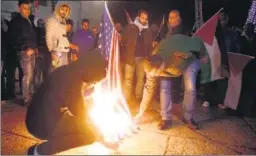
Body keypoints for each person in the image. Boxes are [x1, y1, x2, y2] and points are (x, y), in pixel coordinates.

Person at [26, 50, 118, 155]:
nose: (92, 85)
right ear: (91, 71)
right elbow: (81, 115)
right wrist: (101, 136)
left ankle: (47, 145)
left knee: (83, 127)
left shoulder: (69, 71)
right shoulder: (73, 81)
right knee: (91, 134)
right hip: (39, 124)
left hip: (37, 118)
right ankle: (39, 151)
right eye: (94, 82)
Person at [135, 10, 209, 130]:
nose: (172, 19)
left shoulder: (187, 34)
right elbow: (148, 89)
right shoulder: (162, 40)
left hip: (188, 62)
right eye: (170, 18)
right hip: (169, 64)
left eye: (175, 17)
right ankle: (166, 118)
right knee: (164, 86)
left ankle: (188, 117)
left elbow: (198, 43)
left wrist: (203, 55)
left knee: (190, 87)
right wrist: (140, 112)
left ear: (180, 18)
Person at [8, 0, 38, 105]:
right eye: (25, 8)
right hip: (24, 52)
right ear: (19, 8)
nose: (27, 10)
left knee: (31, 75)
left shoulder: (28, 20)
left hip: (32, 51)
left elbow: (32, 36)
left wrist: (35, 47)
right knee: (27, 75)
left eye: (29, 8)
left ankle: (31, 95)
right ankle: (26, 98)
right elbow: (13, 38)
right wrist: (25, 48)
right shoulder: (16, 21)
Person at [122, 10, 153, 102]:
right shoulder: (131, 27)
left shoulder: (148, 30)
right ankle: (125, 99)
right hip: (130, 58)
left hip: (142, 59)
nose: (144, 20)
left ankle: (138, 97)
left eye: (146, 18)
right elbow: (123, 40)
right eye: (142, 17)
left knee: (140, 79)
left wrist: (149, 57)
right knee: (128, 80)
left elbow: (149, 46)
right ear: (138, 17)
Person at [45, 3, 79, 71]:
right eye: (62, 9)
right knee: (56, 73)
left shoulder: (63, 21)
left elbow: (62, 38)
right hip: (56, 52)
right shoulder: (52, 19)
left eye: (66, 10)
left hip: (64, 52)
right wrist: (52, 52)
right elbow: (48, 36)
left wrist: (71, 45)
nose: (64, 11)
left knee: (63, 73)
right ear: (58, 9)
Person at [34, 19, 51, 90]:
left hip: (46, 53)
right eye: (40, 23)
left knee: (45, 72)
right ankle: (38, 91)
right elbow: (34, 41)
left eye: (42, 23)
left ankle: (43, 90)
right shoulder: (35, 31)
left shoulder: (46, 31)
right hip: (39, 53)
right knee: (38, 73)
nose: (41, 25)